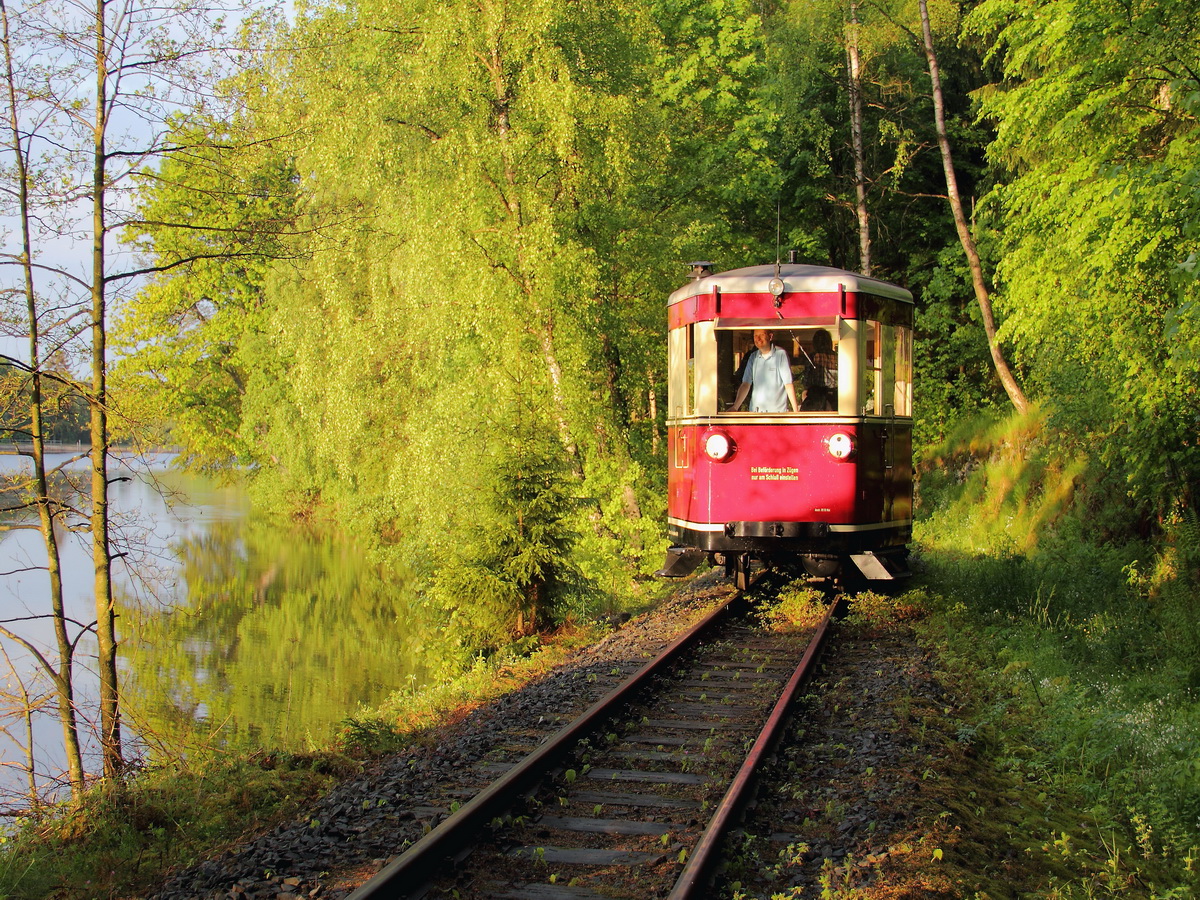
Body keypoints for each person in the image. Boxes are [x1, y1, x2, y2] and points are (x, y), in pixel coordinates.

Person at [731, 330, 799, 413]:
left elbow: (788, 384)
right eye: (755, 336)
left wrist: (796, 412)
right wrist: (735, 407)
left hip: (777, 414)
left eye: (762, 335)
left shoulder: (780, 354)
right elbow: (746, 384)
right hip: (756, 414)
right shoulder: (753, 357)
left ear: (770, 336)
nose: (758, 339)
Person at [801, 329, 838, 411]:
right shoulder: (837, 357)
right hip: (834, 398)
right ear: (829, 342)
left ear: (815, 342)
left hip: (816, 398)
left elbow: (806, 380)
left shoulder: (812, 357)